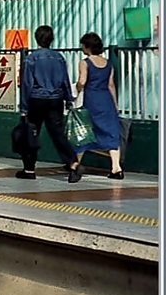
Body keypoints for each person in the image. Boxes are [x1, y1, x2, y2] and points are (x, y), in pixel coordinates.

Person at [17, 25, 81, 182]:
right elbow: (65, 80)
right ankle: (72, 162)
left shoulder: (31, 59)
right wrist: (68, 99)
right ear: (51, 39)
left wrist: (24, 107)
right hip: (56, 99)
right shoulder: (59, 58)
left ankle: (29, 169)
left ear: (36, 39)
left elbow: (26, 84)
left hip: (36, 100)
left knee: (31, 134)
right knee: (58, 133)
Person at [72, 32, 123, 180]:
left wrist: (76, 89)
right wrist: (115, 104)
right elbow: (111, 85)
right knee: (111, 133)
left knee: (84, 133)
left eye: (83, 45)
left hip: (91, 100)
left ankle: (75, 165)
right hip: (106, 100)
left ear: (87, 47)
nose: (81, 47)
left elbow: (82, 81)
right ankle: (116, 168)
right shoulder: (108, 64)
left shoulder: (85, 62)